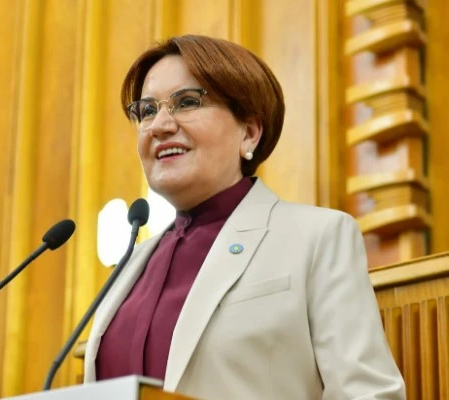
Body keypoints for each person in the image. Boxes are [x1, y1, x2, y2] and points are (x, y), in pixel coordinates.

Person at [83, 35, 405, 399]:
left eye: (187, 102)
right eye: (146, 110)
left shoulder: (318, 237)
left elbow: (368, 393)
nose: (159, 125)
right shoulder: (130, 265)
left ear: (249, 133)